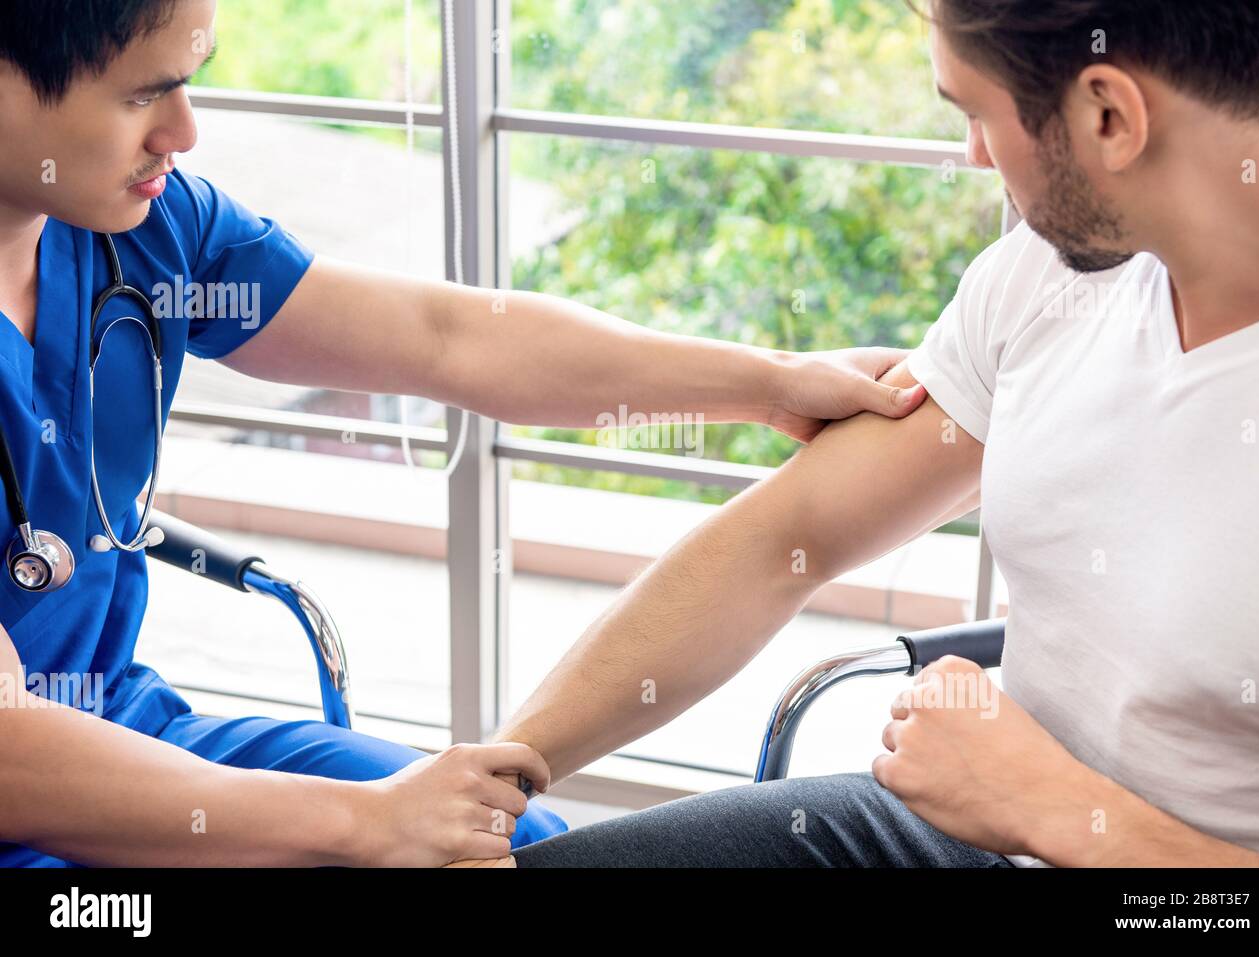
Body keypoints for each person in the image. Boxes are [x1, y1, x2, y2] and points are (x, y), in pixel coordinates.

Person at [0, 0, 926, 868]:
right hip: (34, 780)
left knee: (510, 840)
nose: (184, 131)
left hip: (126, 726)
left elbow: (459, 339)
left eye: (187, 82)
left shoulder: (152, 233)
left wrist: (770, 384)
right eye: (141, 96)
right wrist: (365, 823)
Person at [498, 0, 1259, 867]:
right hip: (966, 836)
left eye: (976, 115)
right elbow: (785, 538)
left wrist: (1064, 811)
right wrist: (493, 777)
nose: (974, 156)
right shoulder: (1050, 275)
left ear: (1109, 116)